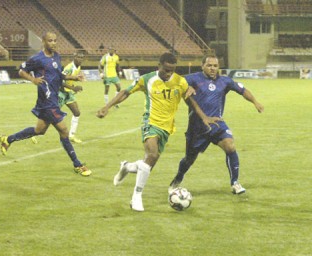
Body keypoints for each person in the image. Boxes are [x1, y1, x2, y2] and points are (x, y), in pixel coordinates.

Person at [96, 52, 221, 212]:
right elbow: (125, 92)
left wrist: (204, 117)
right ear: (159, 66)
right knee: (152, 155)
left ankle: (126, 167)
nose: (169, 74)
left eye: (172, 70)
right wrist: (107, 107)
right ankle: (136, 197)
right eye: (166, 70)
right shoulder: (147, 79)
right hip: (151, 122)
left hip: (167, 128)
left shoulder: (179, 81)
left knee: (147, 165)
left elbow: (189, 100)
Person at [168, 54, 264, 195]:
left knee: (230, 145)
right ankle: (178, 179)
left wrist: (255, 102)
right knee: (189, 159)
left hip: (217, 124)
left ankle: (235, 183)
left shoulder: (224, 81)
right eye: (209, 65)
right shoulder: (193, 78)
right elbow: (175, 82)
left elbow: (243, 90)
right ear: (202, 66)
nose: (212, 68)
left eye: (215, 66)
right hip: (197, 128)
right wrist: (185, 88)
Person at [0, 32, 91, 176]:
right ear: (43, 41)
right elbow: (21, 71)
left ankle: (8, 139)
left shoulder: (56, 56)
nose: (53, 43)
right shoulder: (37, 59)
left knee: (39, 130)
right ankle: (77, 164)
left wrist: (74, 77)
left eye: (55, 40)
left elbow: (59, 75)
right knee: (64, 131)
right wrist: (33, 79)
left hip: (52, 98)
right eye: (50, 41)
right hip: (47, 101)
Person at [58, 51, 85, 143]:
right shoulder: (69, 67)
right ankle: (35, 132)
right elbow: (60, 81)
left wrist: (75, 86)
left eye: (82, 57)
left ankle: (71, 136)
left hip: (68, 93)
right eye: (78, 57)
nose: (80, 59)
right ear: (74, 57)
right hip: (60, 93)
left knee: (77, 112)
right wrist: (73, 88)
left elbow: (70, 80)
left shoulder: (78, 67)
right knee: (51, 114)